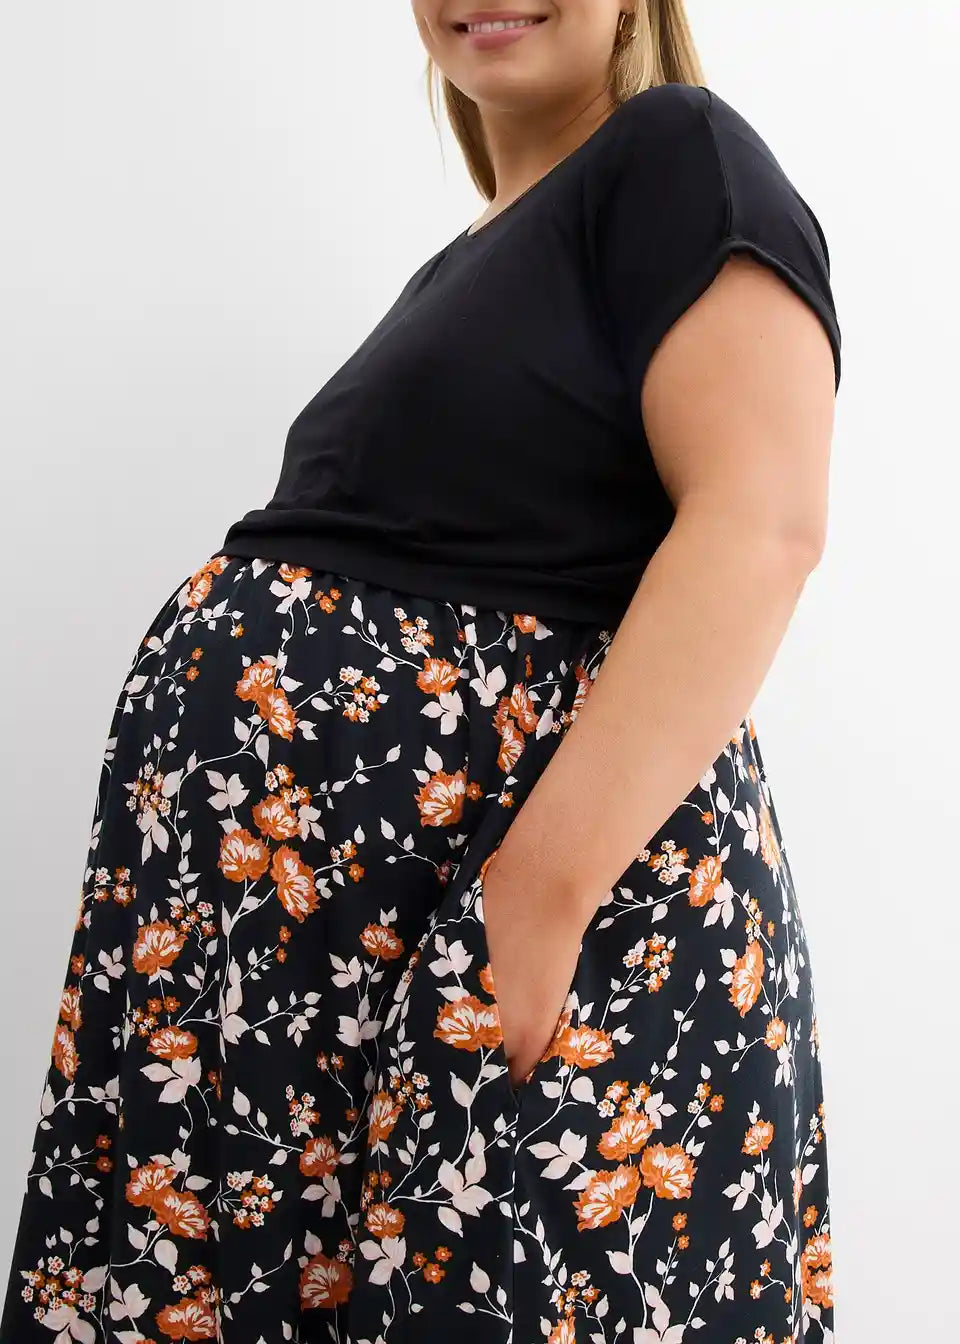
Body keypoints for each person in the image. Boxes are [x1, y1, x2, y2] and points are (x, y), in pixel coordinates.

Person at [0, 3, 842, 1342]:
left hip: (519, 928)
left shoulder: (681, 153)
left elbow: (761, 522)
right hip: (313, 974)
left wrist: (534, 905)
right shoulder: (472, 259)